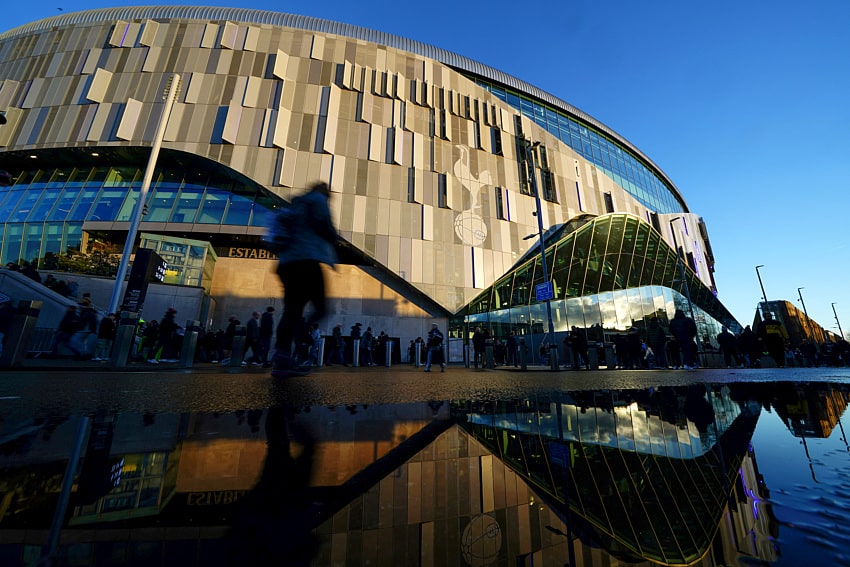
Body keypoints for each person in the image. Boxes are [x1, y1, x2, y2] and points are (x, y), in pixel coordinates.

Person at [271, 181, 338, 377]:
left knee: (292, 311)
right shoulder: (318, 199)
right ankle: (300, 338)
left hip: (287, 264)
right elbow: (325, 225)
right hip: (307, 261)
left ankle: (282, 358)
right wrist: (334, 238)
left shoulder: (294, 205)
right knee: (320, 309)